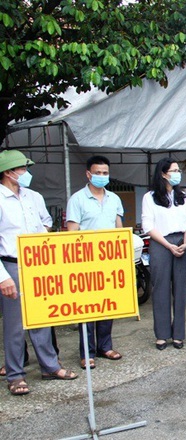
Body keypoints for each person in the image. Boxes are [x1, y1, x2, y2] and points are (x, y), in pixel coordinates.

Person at [0, 150, 78, 396]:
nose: (26, 173)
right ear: (9, 172)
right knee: (15, 326)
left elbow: (46, 221)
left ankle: (50, 366)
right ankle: (15, 375)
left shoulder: (33, 196)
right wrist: (2, 277)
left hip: (37, 262)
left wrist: (39, 236)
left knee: (43, 318)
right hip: (11, 264)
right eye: (22, 169)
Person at [67, 155, 125, 369]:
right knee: (87, 309)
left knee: (106, 306)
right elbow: (71, 233)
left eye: (105, 173)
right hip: (86, 262)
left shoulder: (114, 199)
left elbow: (119, 228)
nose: (102, 176)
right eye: (98, 173)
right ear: (88, 174)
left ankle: (105, 346)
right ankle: (87, 352)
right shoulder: (77, 199)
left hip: (109, 260)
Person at [142, 158, 186, 351]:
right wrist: (168, 246)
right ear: (163, 174)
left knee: (181, 289)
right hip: (161, 243)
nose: (177, 173)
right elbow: (148, 226)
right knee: (161, 289)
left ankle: (178, 334)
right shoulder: (150, 197)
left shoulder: (184, 196)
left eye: (178, 170)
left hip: (182, 241)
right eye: (173, 170)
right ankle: (162, 335)